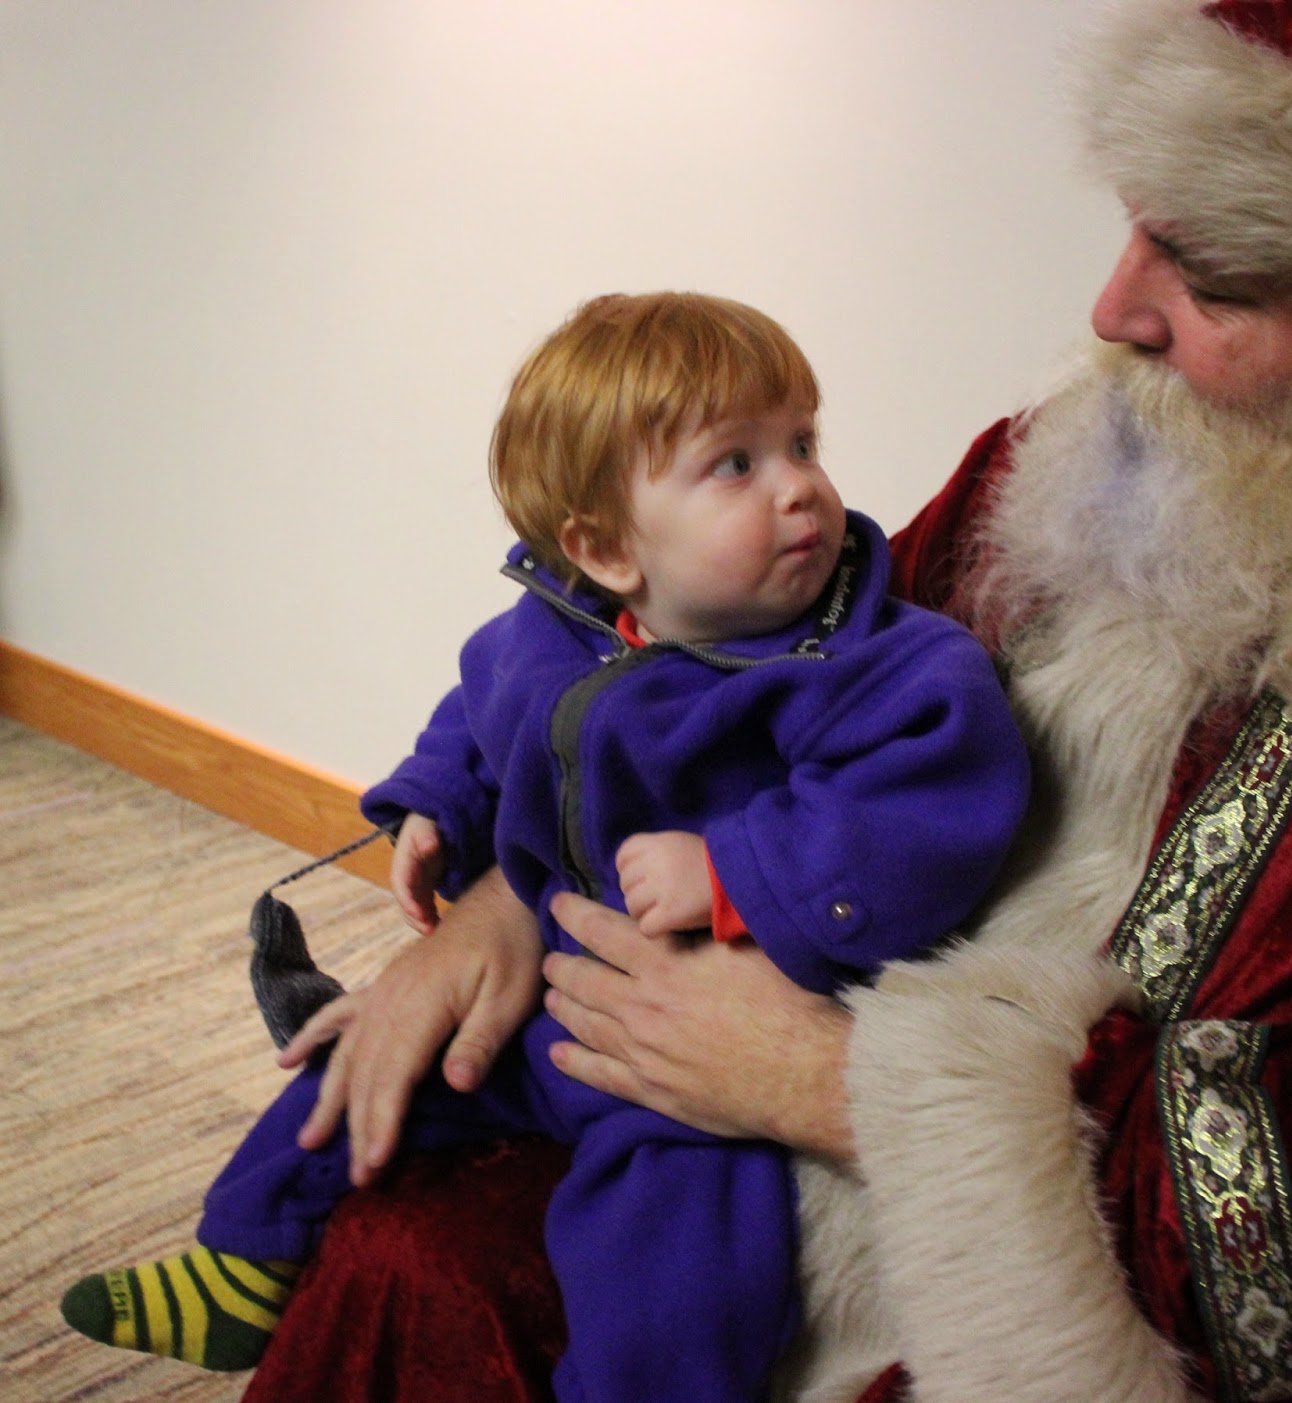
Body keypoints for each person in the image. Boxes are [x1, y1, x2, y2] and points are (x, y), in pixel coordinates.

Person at [232, 0, 1292, 1399]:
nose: (1112, 311)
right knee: (405, 1249)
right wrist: (507, 908)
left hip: (1073, 1285)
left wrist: (825, 1081)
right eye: (1134, 227)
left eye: (1211, 276)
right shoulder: (1076, 453)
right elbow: (737, 710)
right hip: (776, 1102)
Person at [59, 292, 1031, 1403]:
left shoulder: (881, 666)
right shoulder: (554, 630)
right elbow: (483, 718)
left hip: (694, 1056)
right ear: (606, 549)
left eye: (801, 442)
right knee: (362, 1061)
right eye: (736, 463)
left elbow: (920, 809)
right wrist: (434, 804)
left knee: (681, 1258)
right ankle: (243, 1257)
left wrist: (734, 869)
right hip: (543, 1002)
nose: (800, 485)